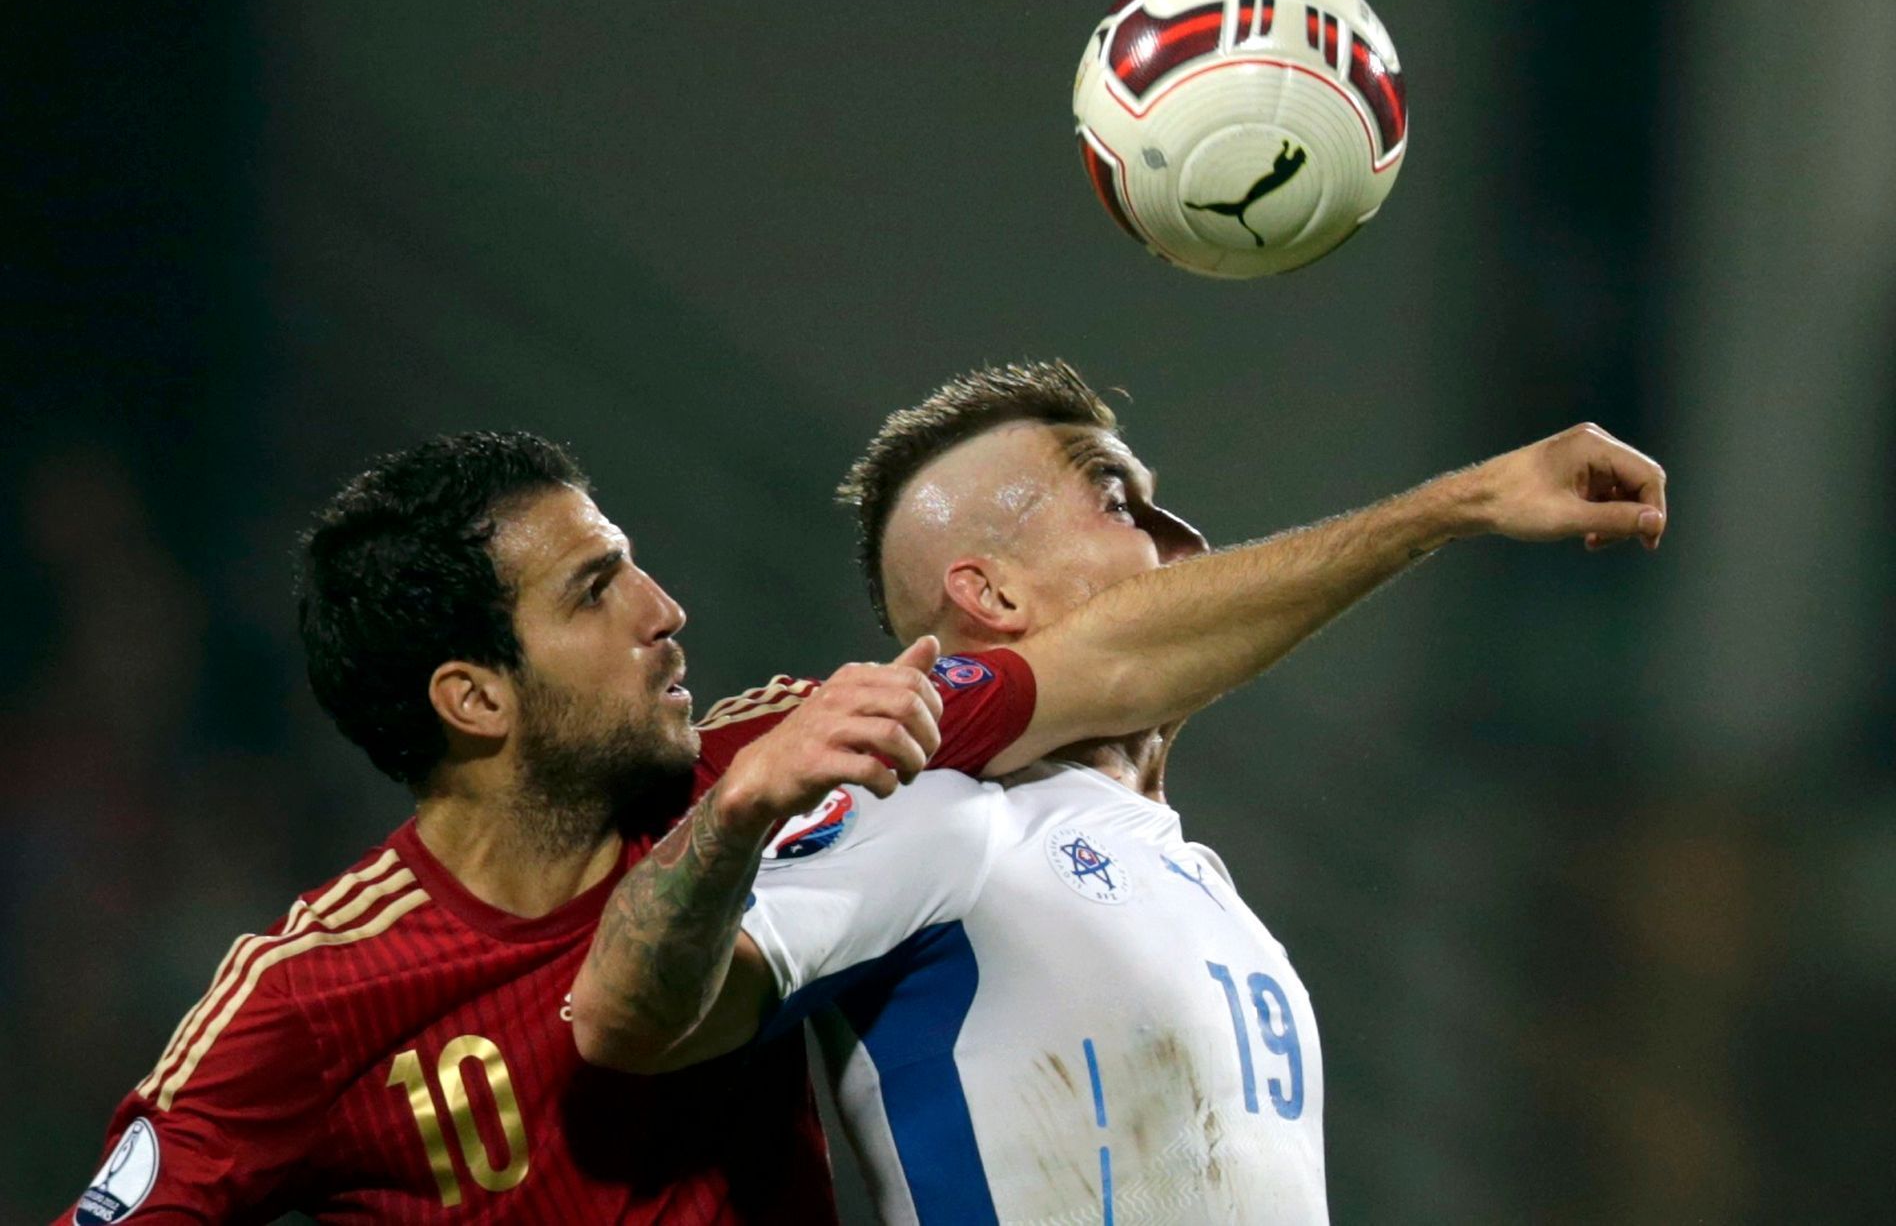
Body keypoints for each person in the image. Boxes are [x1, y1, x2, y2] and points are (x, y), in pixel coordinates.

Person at [570, 360, 1668, 1223]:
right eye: (1114, 499)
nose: (1182, 541)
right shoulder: (939, 814)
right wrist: (739, 814)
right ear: (988, 590)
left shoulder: (1205, 885)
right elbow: (627, 1019)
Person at [61, 431, 973, 1224]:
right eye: (593, 592)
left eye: (632, 568)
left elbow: (1083, 665)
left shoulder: (772, 761)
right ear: (476, 697)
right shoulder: (313, 995)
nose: (662, 611)